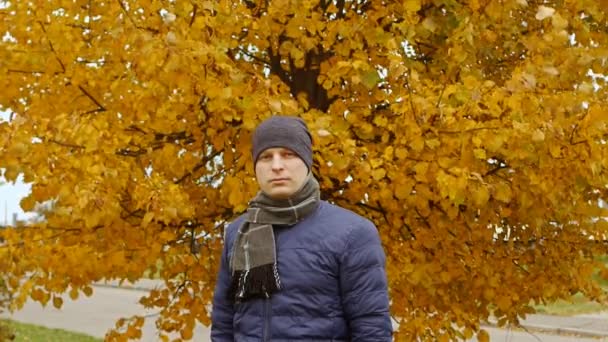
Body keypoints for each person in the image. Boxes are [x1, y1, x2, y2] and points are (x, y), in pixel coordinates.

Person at [211, 116, 392, 341]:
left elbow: (372, 330)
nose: (277, 166)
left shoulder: (353, 233)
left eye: (288, 154)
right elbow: (223, 323)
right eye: (266, 157)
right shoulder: (238, 232)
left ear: (307, 162)